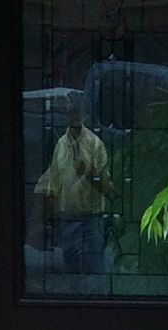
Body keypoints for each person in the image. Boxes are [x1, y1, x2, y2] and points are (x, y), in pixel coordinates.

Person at [34, 94, 111, 276]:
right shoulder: (61, 144)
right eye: (69, 114)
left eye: (77, 113)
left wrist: (89, 173)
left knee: (93, 269)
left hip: (92, 219)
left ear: (84, 115)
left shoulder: (95, 144)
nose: (73, 117)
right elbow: (52, 182)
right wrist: (46, 217)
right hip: (67, 218)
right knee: (71, 269)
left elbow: (106, 187)